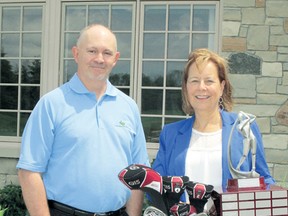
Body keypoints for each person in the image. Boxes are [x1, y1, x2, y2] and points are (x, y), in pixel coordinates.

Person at [16, 24, 150, 216]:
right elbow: (29, 171)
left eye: (107, 53)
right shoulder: (51, 104)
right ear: (76, 54)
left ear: (116, 59)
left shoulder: (128, 107)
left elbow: (138, 173)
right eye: (92, 51)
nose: (99, 59)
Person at [152, 48, 275, 213]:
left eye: (209, 81)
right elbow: (156, 190)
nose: (201, 87)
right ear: (186, 87)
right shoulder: (170, 134)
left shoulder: (243, 128)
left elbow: (264, 180)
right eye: (194, 80)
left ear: (222, 86)